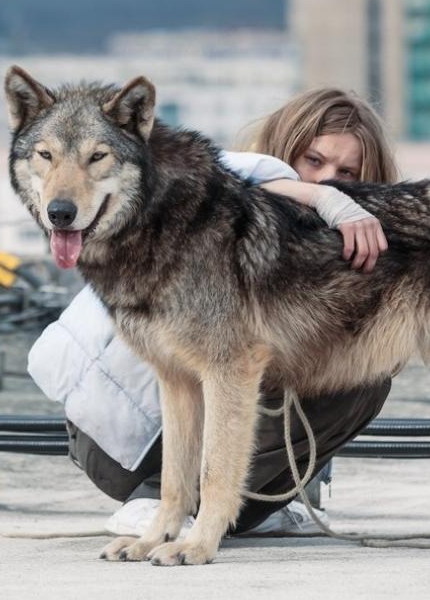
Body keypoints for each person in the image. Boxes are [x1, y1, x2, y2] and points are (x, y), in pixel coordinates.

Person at [27, 87, 399, 536]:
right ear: (284, 149)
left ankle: (234, 507)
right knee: (288, 366)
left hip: (131, 433)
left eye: (347, 173)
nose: (325, 181)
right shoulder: (213, 191)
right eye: (313, 162)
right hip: (115, 440)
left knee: (354, 362)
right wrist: (323, 199)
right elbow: (249, 176)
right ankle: (168, 504)